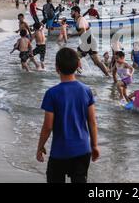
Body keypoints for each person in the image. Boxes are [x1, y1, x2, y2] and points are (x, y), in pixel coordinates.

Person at [36, 48, 99, 183]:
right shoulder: (86, 91)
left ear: (57, 68)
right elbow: (92, 121)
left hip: (60, 152)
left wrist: (40, 146)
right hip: (83, 150)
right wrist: (94, 146)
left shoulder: (52, 93)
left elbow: (47, 126)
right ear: (78, 66)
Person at [69, 6, 109, 76]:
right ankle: (108, 75)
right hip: (88, 42)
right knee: (96, 62)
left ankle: (77, 74)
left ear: (76, 12)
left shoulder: (80, 20)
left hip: (88, 43)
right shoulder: (79, 19)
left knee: (74, 58)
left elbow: (83, 30)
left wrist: (71, 35)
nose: (70, 13)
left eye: (72, 12)